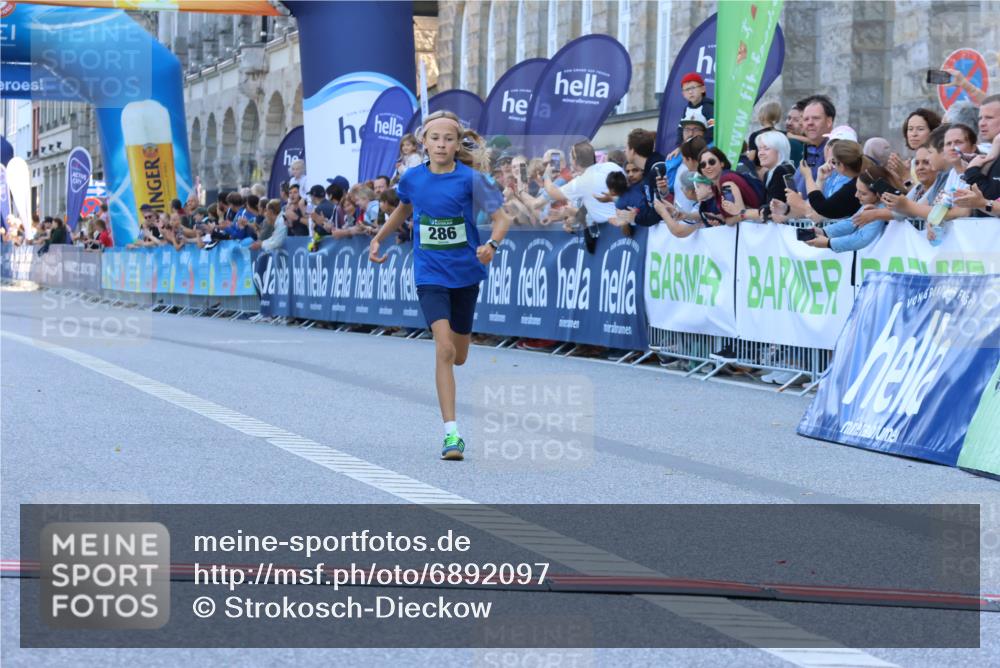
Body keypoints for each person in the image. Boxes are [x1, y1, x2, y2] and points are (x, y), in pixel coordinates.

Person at [369, 110, 509, 461]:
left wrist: (491, 245)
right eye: (435, 139)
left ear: (456, 142)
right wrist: (378, 239)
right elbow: (403, 211)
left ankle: (456, 359)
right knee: (443, 348)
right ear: (424, 143)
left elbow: (501, 218)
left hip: (465, 273)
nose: (441, 144)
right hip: (429, 273)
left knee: (459, 356)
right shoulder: (413, 178)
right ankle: (452, 434)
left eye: (448, 139)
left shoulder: (471, 179)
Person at [803, 165, 894, 252]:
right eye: (857, 190)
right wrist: (823, 232)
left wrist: (828, 243)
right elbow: (852, 222)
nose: (856, 195)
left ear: (878, 194)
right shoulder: (873, 203)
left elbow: (861, 239)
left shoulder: (882, 207)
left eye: (863, 193)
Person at [722, 130, 795, 222]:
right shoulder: (772, 172)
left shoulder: (780, 171)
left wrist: (741, 212)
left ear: (779, 150)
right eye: (759, 149)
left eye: (766, 148)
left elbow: (772, 208)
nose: (760, 153)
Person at [694, 146, 761, 225]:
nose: (708, 166)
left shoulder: (726, 181)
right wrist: (722, 218)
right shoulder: (715, 187)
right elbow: (734, 217)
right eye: (703, 165)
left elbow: (739, 213)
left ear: (722, 163)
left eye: (711, 162)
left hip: (758, 226)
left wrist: (730, 219)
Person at [793, 95, 836, 195]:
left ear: (829, 122)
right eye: (806, 119)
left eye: (816, 118)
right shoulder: (810, 150)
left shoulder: (835, 154)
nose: (810, 123)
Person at [675, 72, 714, 146]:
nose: (690, 92)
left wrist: (700, 144)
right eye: (686, 89)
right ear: (683, 94)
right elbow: (680, 128)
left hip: (706, 146)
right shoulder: (686, 110)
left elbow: (713, 128)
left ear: (703, 89)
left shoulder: (708, 108)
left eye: (693, 88)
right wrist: (680, 146)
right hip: (691, 147)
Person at [746, 101, 782, 167]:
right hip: (778, 168)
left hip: (760, 171)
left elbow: (751, 158)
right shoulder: (783, 134)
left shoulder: (755, 135)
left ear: (762, 115)